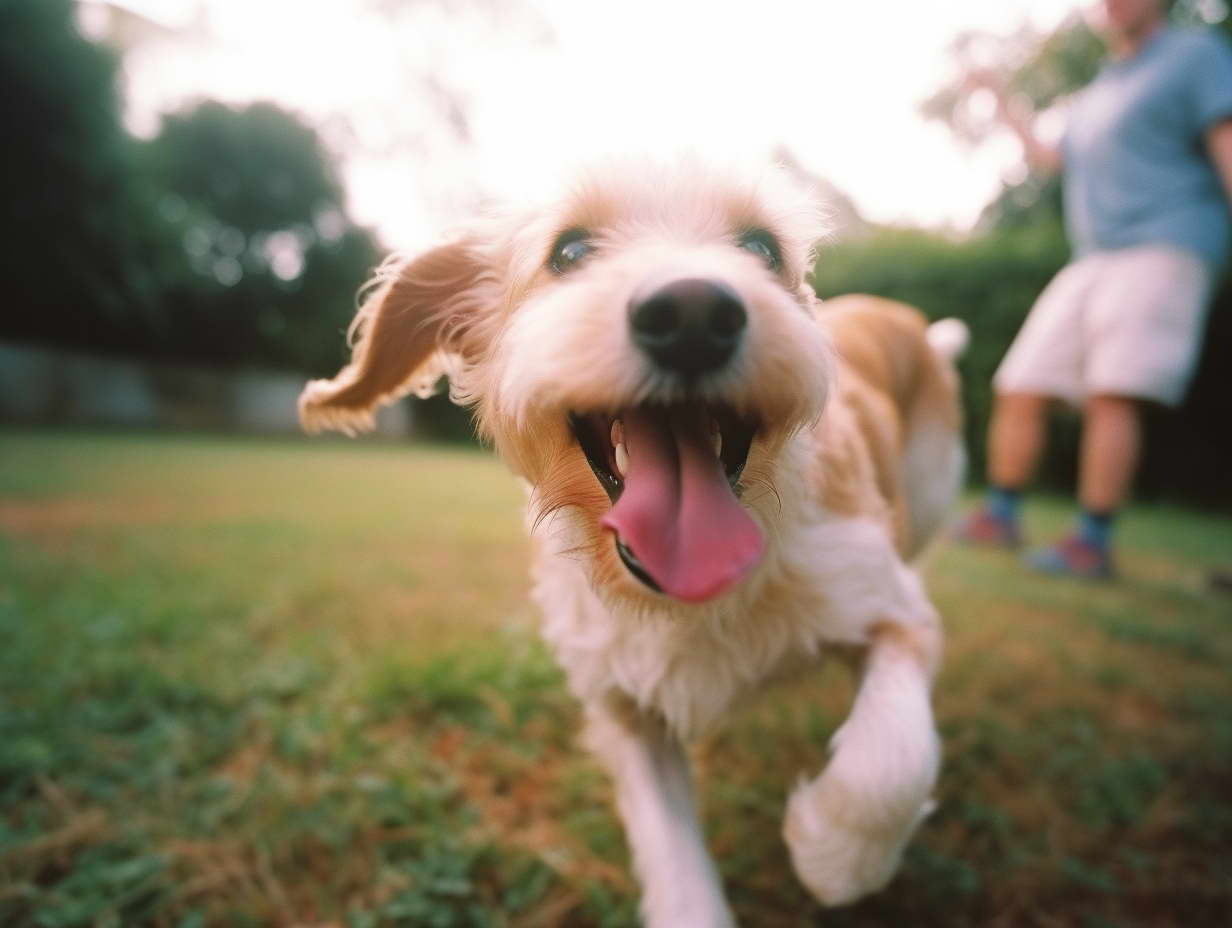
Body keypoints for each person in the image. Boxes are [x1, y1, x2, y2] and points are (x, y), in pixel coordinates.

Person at [956, 0, 1232, 579]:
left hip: (1167, 243)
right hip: (1095, 256)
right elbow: (1051, 159)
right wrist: (999, 97)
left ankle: (1091, 542)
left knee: (1115, 391)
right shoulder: (1101, 86)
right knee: (1021, 383)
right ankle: (1001, 516)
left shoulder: (1195, 56)